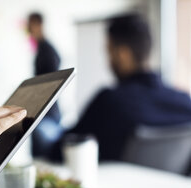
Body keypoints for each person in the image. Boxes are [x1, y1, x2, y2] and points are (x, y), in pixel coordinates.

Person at [51, 14, 191, 162]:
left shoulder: (109, 101)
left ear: (123, 54)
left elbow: (61, 150)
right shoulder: (184, 102)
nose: (108, 61)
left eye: (109, 51)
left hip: (113, 184)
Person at [27, 12, 63, 161]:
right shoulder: (41, 49)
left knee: (45, 160)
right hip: (42, 115)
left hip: (47, 116)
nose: (28, 28)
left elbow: (50, 85)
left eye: (30, 23)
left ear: (38, 24)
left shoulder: (48, 51)